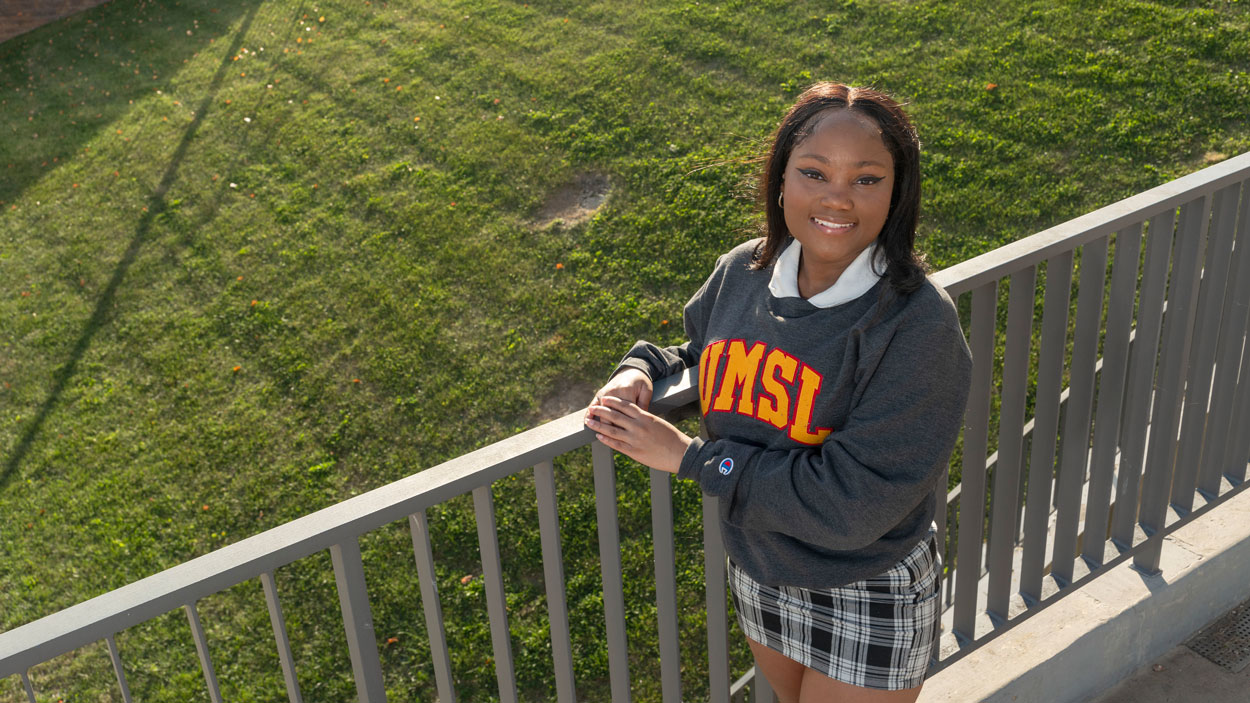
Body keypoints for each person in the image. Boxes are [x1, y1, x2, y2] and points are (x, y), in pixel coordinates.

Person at [583, 82, 972, 703]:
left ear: (897, 191)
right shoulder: (744, 269)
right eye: (814, 172)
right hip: (761, 567)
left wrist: (693, 460)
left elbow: (851, 505)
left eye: (866, 179)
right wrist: (643, 371)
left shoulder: (917, 326)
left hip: (865, 583)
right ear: (781, 179)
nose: (837, 198)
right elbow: (704, 354)